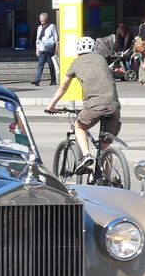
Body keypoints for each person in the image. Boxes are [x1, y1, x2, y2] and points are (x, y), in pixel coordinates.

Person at [45, 36, 122, 174]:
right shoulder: (101, 59)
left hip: (95, 105)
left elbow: (63, 87)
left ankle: (86, 156)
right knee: (105, 146)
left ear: (78, 51)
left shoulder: (76, 63)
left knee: (79, 126)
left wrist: (51, 106)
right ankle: (108, 182)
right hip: (114, 106)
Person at [30, 12, 58, 86]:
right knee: (40, 64)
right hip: (42, 48)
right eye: (41, 19)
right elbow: (38, 39)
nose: (42, 20)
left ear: (46, 19)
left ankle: (53, 80)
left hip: (49, 48)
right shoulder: (39, 27)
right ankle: (37, 80)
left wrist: (57, 47)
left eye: (43, 19)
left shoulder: (51, 26)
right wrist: (37, 49)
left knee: (50, 64)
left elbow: (56, 37)